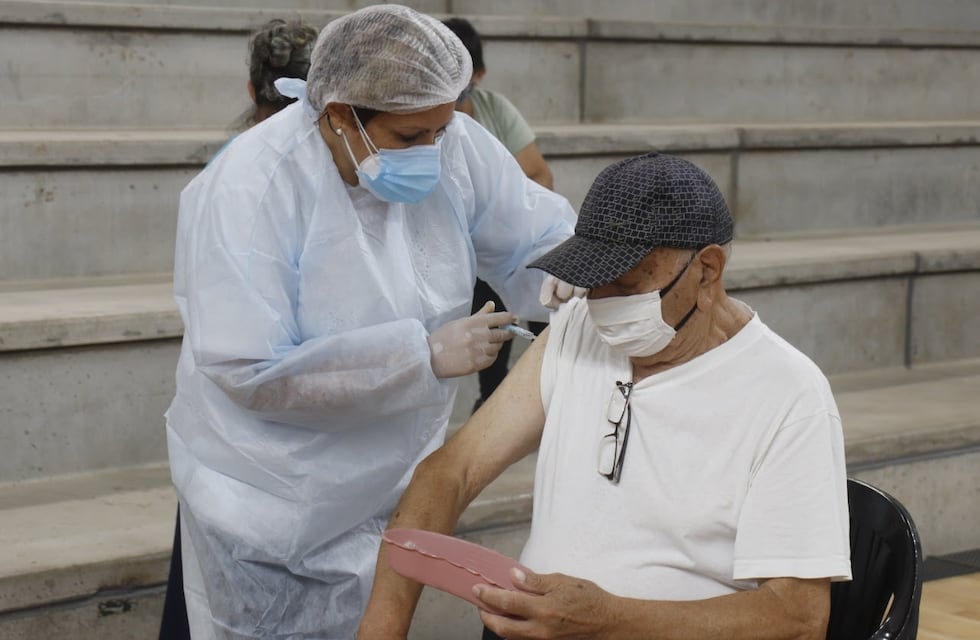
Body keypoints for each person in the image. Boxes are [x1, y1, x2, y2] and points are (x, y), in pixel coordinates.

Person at [166, 4, 577, 639]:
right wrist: (419, 357)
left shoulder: (451, 143)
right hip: (273, 495)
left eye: (442, 131)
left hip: (395, 477)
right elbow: (246, 367)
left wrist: (572, 274)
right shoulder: (251, 188)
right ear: (338, 115)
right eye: (410, 139)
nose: (433, 153)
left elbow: (535, 231)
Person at [358, 152, 852, 640]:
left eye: (629, 285)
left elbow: (798, 617)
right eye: (594, 282)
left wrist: (609, 620)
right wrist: (381, 630)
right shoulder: (579, 329)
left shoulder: (787, 395)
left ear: (707, 271)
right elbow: (451, 472)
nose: (604, 305)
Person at [158, 17, 319, 640]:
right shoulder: (251, 172)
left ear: (253, 87)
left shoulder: (239, 162)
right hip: (257, 415)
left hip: (250, 422)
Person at [443, 16, 554, 412]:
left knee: (546, 282)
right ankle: (492, 399)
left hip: (498, 239)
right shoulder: (426, 122)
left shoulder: (493, 114)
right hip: (455, 252)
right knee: (488, 299)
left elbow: (539, 175)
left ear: (479, 74)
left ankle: (554, 382)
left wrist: (502, 224)